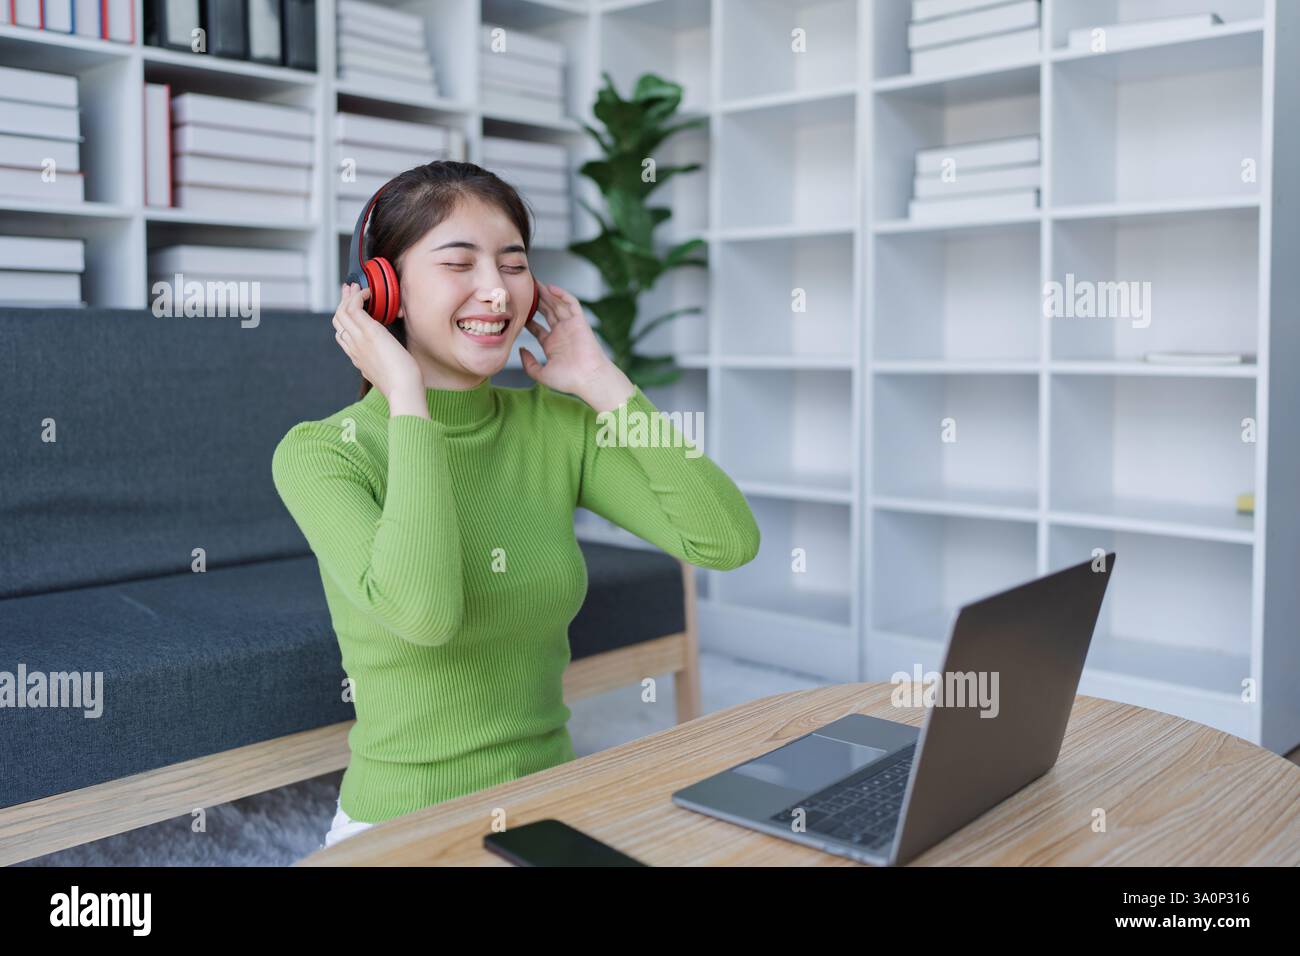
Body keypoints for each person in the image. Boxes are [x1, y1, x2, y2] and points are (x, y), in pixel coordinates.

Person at [272, 160, 761, 851]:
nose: (495, 292)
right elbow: (424, 614)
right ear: (386, 294)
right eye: (459, 264)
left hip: (547, 802)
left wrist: (602, 382)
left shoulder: (552, 428)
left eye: (512, 265)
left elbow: (726, 540)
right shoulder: (323, 453)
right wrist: (408, 401)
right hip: (400, 823)